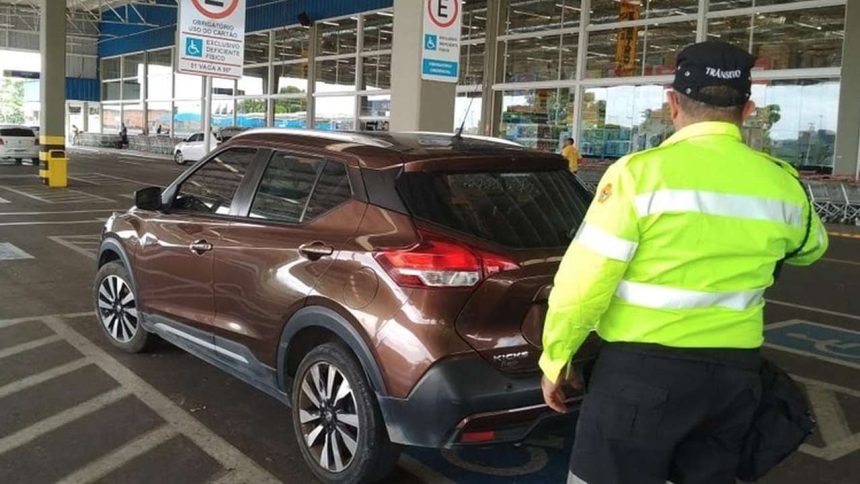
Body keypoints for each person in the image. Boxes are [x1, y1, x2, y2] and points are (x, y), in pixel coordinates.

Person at [540, 41, 828, 484]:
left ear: (672, 102)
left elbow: (583, 283)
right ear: (747, 109)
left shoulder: (638, 174)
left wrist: (556, 357)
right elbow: (810, 249)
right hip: (733, 382)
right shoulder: (783, 183)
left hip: (640, 375)